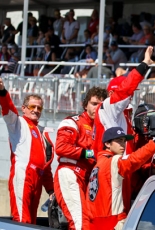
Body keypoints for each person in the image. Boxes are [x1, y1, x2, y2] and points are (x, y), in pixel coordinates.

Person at [87, 117, 155, 230]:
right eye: (118, 141)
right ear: (107, 144)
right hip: (113, 222)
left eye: (124, 141)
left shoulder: (98, 164)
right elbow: (136, 159)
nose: (123, 145)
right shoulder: (114, 162)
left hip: (95, 223)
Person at [0, 77, 54, 224]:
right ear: (24, 108)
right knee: (21, 219)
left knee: (31, 221)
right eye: (33, 107)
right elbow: (8, 108)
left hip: (38, 180)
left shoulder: (42, 133)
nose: (36, 110)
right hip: (23, 176)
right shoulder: (17, 123)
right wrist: (2, 91)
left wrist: (51, 190)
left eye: (39, 108)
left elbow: (46, 167)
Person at [54, 87, 107, 230]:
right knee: (80, 223)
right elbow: (61, 147)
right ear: (85, 105)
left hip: (89, 180)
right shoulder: (72, 121)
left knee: (91, 222)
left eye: (101, 105)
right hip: (70, 173)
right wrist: (89, 153)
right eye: (94, 103)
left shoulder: (103, 127)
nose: (98, 108)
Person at [92, 46, 154, 156]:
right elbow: (126, 89)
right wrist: (145, 64)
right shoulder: (108, 106)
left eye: (133, 92)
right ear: (111, 93)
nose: (131, 96)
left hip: (121, 164)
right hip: (111, 165)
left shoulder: (123, 112)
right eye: (130, 92)